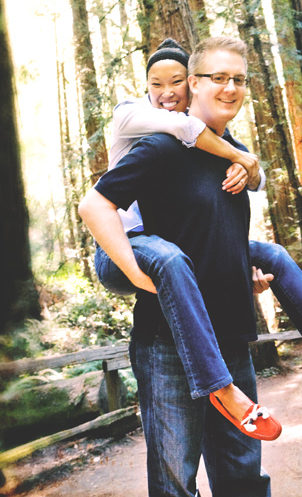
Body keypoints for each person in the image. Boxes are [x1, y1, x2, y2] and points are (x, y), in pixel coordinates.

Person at [92, 38, 302, 412]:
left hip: (168, 248)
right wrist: (240, 156)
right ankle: (218, 385)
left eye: (174, 81)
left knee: (269, 253)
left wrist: (247, 171)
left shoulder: (205, 136)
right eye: (156, 84)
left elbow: (254, 179)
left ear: (187, 82)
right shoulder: (136, 117)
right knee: (170, 259)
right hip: (122, 248)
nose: (166, 92)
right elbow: (186, 132)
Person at [79, 37, 280, 496]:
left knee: (244, 480)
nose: (229, 89)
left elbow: (216, 234)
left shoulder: (233, 155)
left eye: (238, 80)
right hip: (166, 342)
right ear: (196, 84)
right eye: (218, 78)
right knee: (175, 483)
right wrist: (132, 272)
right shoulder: (159, 142)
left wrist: (242, 272)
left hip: (229, 335)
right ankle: (218, 385)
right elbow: (94, 206)